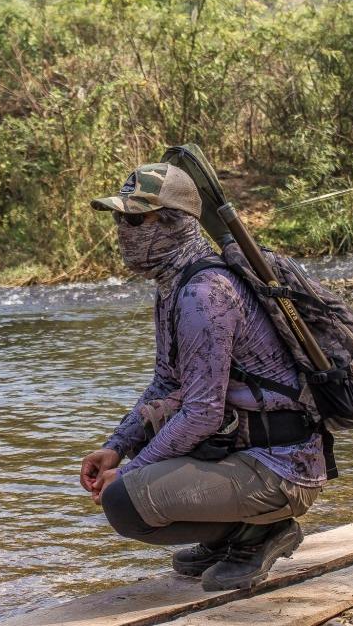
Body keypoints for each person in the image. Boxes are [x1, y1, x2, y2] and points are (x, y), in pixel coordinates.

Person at [79, 163, 327, 592]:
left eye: (136, 219)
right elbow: (164, 383)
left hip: (281, 468)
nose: (123, 229)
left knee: (124, 502)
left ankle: (260, 532)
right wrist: (114, 448)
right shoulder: (173, 286)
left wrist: (135, 469)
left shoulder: (203, 293)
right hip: (246, 453)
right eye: (119, 218)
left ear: (176, 223)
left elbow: (203, 413)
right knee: (131, 484)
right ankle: (236, 535)